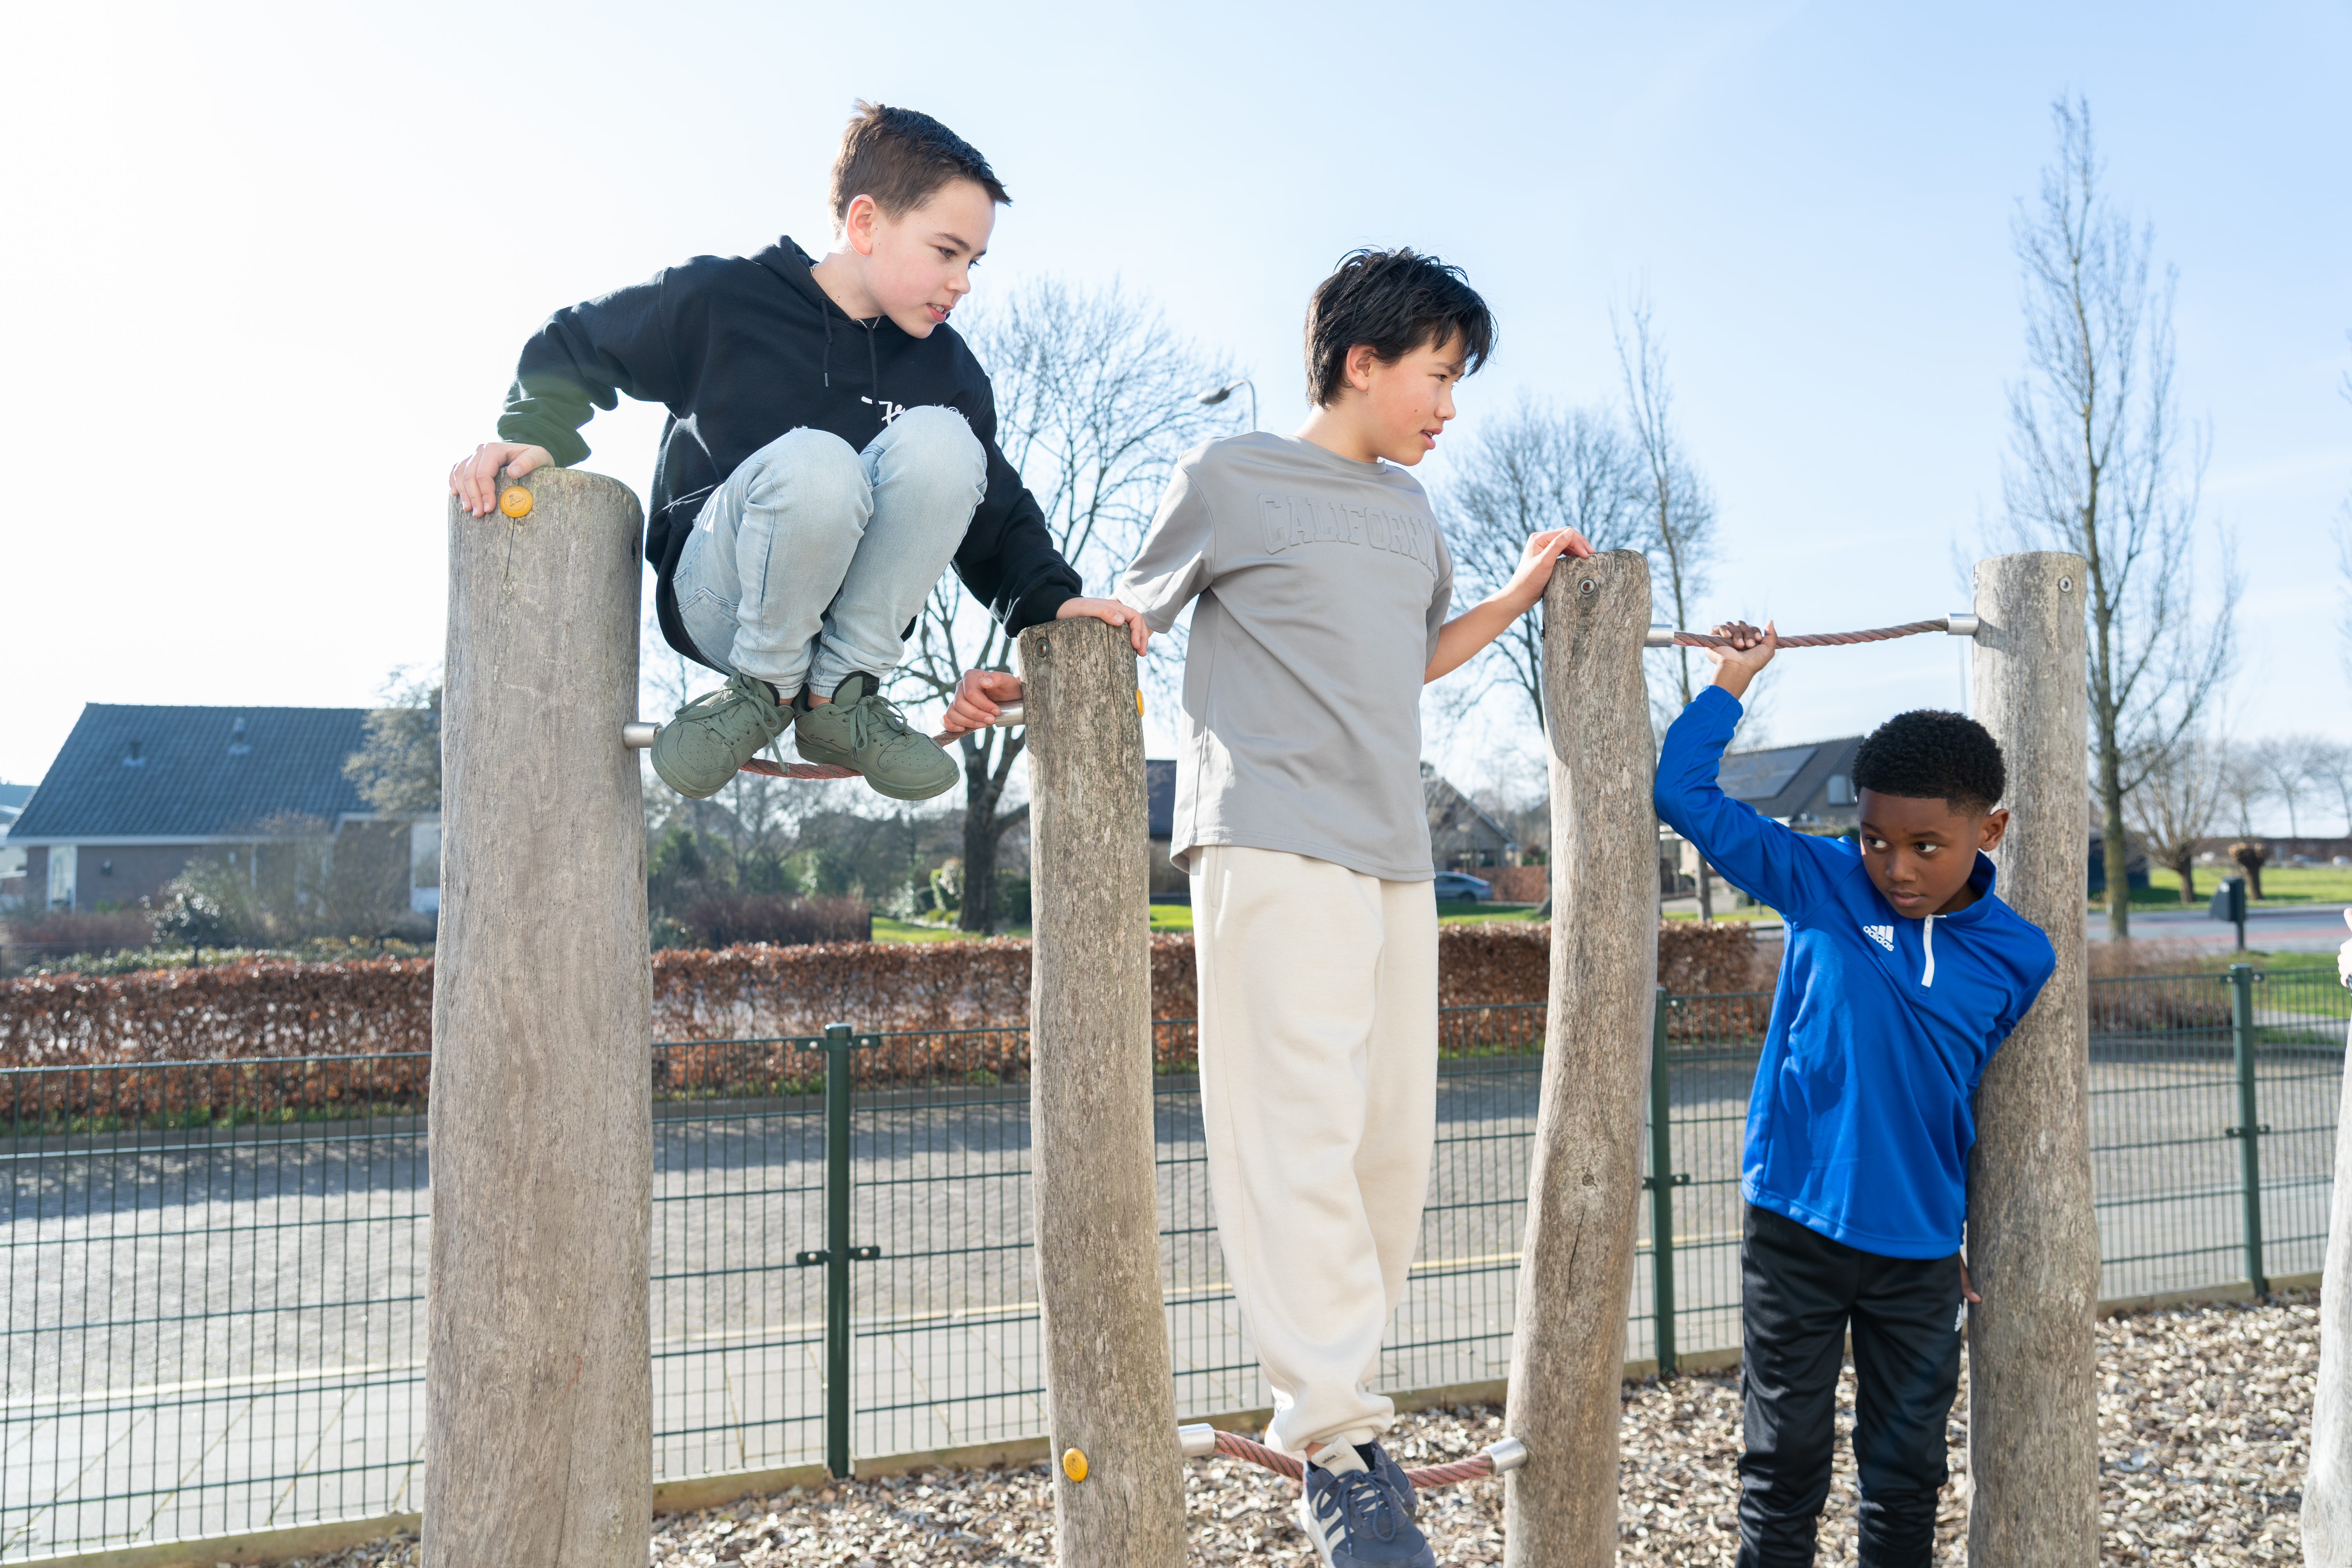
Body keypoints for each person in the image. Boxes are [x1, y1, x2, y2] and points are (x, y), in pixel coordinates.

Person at [967, 248, 1586, 1568]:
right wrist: (1028, 669)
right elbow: (1125, 611)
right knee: (1293, 1136)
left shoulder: (1414, 515)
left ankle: (1346, 1419)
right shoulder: (1233, 477)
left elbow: (1409, 661)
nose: (1449, 407)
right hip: (1268, 836)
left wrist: (1523, 593)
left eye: (1458, 381)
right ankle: (1340, 1447)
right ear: (1362, 361)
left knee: (1384, 1153)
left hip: (1395, 854)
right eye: (1436, 375)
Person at [447, 101, 1144, 802]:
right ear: (866, 223)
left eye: (974, 261)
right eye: (946, 251)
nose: (962, 281)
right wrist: (536, 430)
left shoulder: (949, 373)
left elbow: (996, 515)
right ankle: (762, 687)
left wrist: (1053, 602)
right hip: (726, 597)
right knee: (819, 463)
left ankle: (842, 699)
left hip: (847, 631)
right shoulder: (727, 300)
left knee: (946, 443)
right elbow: (580, 340)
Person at [1653, 620, 2058, 1568]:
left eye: (1927, 843)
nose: (1898, 865)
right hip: (1795, 1223)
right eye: (1878, 837)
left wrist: (1948, 1227)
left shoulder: (2020, 956)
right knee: (1783, 1462)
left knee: (1905, 1470)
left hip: (1919, 1253)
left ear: (1988, 830)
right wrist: (1731, 682)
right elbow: (1682, 791)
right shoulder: (1826, 882)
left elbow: (1954, 1091)